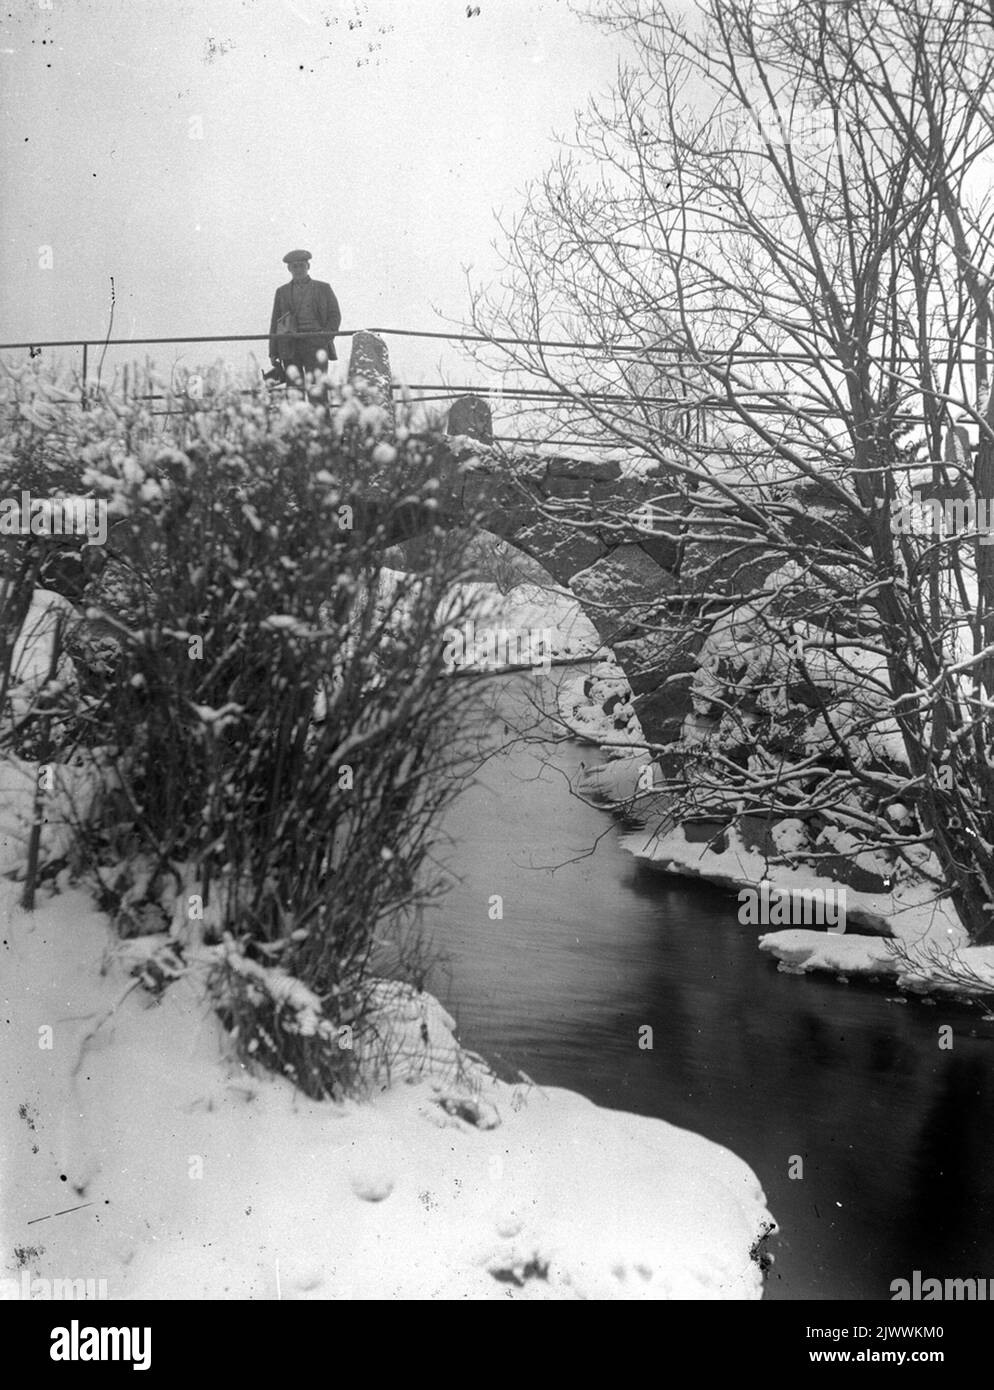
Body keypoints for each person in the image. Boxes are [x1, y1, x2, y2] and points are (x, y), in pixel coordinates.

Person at [266, 250, 342, 382]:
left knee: (317, 388)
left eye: (301, 265)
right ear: (289, 268)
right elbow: (275, 322)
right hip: (290, 346)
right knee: (294, 390)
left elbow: (335, 316)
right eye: (294, 266)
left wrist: (324, 337)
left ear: (308, 266)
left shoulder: (323, 288)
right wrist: (273, 352)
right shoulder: (282, 292)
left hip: (316, 344)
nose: (298, 269)